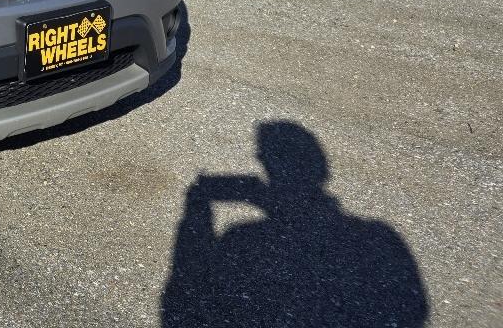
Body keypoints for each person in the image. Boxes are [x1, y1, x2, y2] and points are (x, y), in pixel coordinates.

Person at [161, 121, 428, 327]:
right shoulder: (381, 238)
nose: (260, 159)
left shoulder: (240, 237)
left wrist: (196, 204)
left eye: (262, 155)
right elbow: (415, 309)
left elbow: (185, 287)